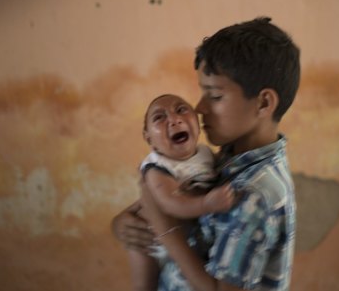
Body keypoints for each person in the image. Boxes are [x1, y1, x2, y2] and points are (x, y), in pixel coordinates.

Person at [112, 16, 300, 291]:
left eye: (214, 96)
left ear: (263, 103)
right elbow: (165, 202)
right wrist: (122, 224)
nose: (199, 108)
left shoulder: (254, 195)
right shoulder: (227, 157)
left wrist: (166, 231)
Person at [126, 94, 235, 291]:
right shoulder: (156, 167)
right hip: (151, 240)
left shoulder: (205, 154)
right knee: (144, 285)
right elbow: (170, 202)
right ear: (148, 137)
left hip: (182, 238)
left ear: (197, 121)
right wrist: (206, 204)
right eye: (159, 117)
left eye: (182, 110)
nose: (174, 119)